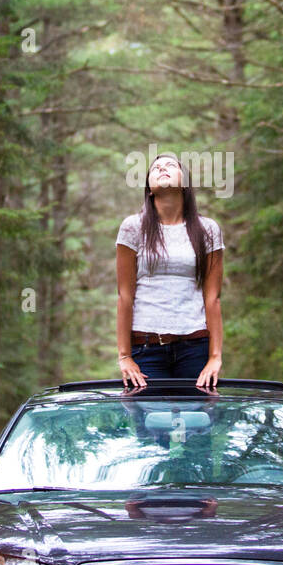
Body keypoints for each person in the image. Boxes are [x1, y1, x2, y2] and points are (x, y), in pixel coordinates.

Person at [116, 151, 224, 388]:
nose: (162, 168)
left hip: (195, 347)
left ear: (184, 182)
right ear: (150, 189)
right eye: (155, 168)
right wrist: (125, 356)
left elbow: (213, 298)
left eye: (170, 165)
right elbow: (125, 296)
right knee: (149, 423)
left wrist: (215, 357)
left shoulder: (208, 230)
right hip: (146, 348)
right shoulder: (133, 227)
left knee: (197, 422)